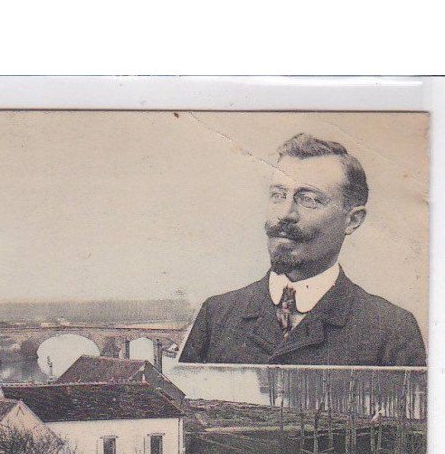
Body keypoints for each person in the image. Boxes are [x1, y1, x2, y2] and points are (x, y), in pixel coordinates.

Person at [179, 133, 427, 366]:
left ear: (352, 220)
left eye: (308, 199)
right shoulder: (216, 315)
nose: (285, 214)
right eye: (278, 195)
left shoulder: (391, 329)